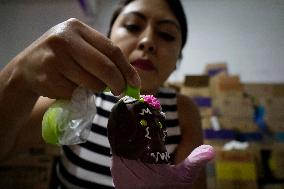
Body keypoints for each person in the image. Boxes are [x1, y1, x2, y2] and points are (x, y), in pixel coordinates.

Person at [0, 0, 214, 188]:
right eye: (132, 26)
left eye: (166, 34)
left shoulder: (184, 110)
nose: (147, 41)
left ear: (178, 60)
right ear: (109, 38)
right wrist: (17, 78)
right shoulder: (78, 94)